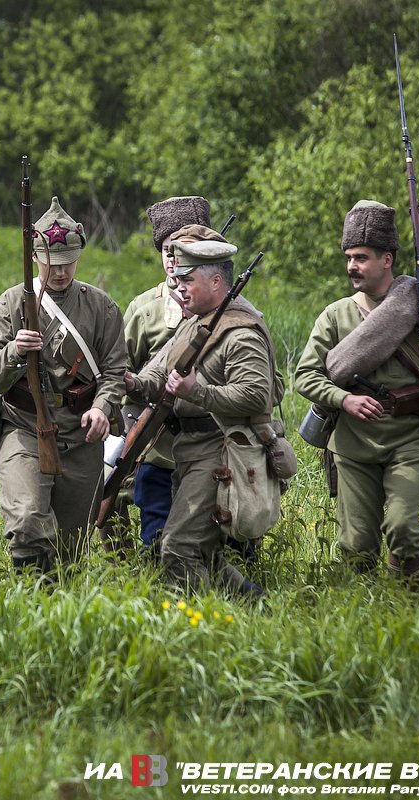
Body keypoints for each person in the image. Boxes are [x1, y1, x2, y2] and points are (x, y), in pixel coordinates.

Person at [294, 200, 419, 582]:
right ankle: (364, 612)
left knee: (403, 530)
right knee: (356, 545)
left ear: (388, 259)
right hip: (353, 444)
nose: (351, 266)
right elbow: (306, 377)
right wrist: (344, 398)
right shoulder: (336, 315)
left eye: (361, 257)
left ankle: (409, 608)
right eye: (348, 257)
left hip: (410, 439)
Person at [0, 197, 127, 578]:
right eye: (50, 263)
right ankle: (30, 605)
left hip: (80, 434)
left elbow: (114, 370)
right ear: (35, 258)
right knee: (27, 522)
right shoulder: (10, 305)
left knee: (72, 549)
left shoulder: (102, 308)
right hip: (25, 426)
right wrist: (15, 351)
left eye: (68, 262)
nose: (59, 272)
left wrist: (103, 408)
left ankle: (57, 616)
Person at [126, 225, 279, 598]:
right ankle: (253, 604)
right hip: (190, 451)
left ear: (216, 281)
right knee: (207, 554)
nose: (178, 287)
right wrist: (128, 382)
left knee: (177, 547)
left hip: (222, 449)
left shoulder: (240, 330)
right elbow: (158, 374)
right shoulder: (196, 323)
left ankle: (193, 627)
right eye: (177, 278)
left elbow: (258, 394)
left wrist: (200, 392)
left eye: (188, 279)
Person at [122, 196, 211, 555]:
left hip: (214, 442)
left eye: (184, 251)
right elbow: (122, 379)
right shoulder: (143, 310)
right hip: (157, 444)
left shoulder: (233, 310)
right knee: (156, 542)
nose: (174, 260)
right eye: (167, 251)